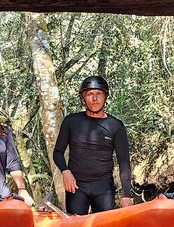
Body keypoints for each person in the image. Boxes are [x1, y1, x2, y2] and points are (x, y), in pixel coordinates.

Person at [52, 75, 133, 215]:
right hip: (76, 186)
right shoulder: (71, 121)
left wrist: (127, 195)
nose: (95, 99)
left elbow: (124, 162)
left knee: (104, 226)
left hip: (104, 188)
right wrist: (65, 172)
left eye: (99, 94)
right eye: (90, 94)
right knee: (76, 226)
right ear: (83, 98)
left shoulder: (116, 126)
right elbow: (58, 152)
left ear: (105, 97)